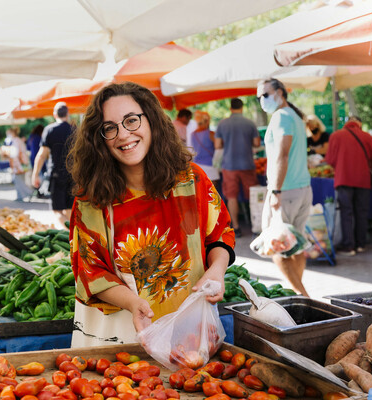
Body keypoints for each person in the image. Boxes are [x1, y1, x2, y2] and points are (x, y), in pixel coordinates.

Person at [67, 82, 235, 347]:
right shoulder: (92, 202)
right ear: (99, 140)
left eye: (131, 121)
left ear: (152, 121)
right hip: (123, 342)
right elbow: (90, 272)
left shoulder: (192, 181)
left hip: (192, 334)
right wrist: (134, 304)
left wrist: (216, 271)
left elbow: (219, 235)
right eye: (110, 128)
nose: (123, 134)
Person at [257, 78, 312, 298]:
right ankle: (298, 295)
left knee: (277, 249)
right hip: (301, 189)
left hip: (286, 191)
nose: (262, 100)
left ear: (280, 92)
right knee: (295, 247)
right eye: (259, 96)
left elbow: (282, 154)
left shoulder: (281, 117)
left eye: (266, 95)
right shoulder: (294, 117)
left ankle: (304, 297)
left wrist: (275, 191)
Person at [326, 116, 372, 256]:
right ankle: (361, 244)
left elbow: (330, 159)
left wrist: (340, 166)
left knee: (346, 212)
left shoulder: (336, 136)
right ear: (359, 124)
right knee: (361, 212)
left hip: (344, 179)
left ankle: (348, 246)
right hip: (363, 180)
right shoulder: (367, 137)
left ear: (347, 123)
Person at [214, 98, 260, 237]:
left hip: (229, 165)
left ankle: (237, 228)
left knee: (231, 196)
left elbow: (217, 145)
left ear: (230, 108)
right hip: (247, 164)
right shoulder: (250, 123)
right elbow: (257, 143)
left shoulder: (222, 124)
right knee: (253, 195)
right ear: (242, 107)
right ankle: (256, 227)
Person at [31, 102, 75, 226]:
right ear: (68, 114)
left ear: (54, 114)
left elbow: (41, 155)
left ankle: (70, 236)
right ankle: (75, 237)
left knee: (57, 210)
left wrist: (35, 175)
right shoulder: (75, 130)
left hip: (56, 174)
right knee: (70, 209)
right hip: (74, 175)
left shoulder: (49, 130)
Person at [190, 111, 220, 186]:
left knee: (201, 191)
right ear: (207, 121)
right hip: (210, 165)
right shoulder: (211, 134)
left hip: (197, 166)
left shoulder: (193, 134)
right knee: (213, 192)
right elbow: (219, 146)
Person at [4, 128, 31, 201]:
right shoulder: (18, 141)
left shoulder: (16, 141)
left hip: (19, 165)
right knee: (20, 181)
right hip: (21, 164)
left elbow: (15, 155)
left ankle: (29, 193)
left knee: (19, 181)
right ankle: (20, 196)